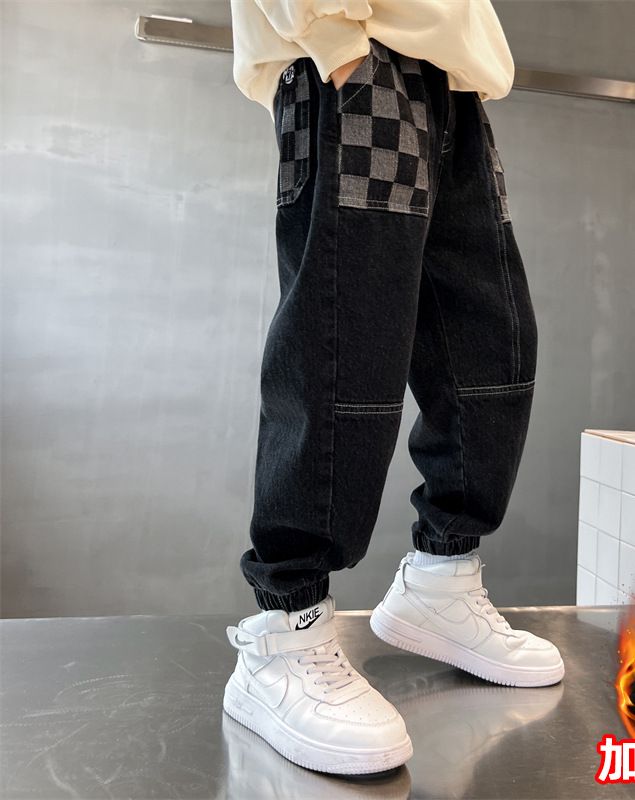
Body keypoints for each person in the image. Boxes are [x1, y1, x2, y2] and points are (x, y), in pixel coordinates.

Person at [223, 0, 565, 775]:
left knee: (492, 348)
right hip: (355, 60)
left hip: (452, 88)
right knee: (344, 349)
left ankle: (443, 577)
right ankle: (284, 632)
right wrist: (333, 44)